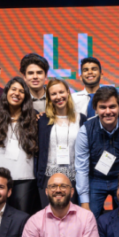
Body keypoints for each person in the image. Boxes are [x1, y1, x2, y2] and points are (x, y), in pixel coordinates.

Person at [75, 87, 119, 219]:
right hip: (95, 179)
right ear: (95, 109)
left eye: (112, 106)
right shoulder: (86, 130)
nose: (108, 112)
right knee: (87, 219)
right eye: (103, 107)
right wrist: (84, 203)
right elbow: (81, 168)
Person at [0, 77, 40, 216]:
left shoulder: (33, 118)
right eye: (13, 89)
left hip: (25, 178)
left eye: (21, 91)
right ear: (6, 92)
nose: (17, 93)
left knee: (22, 219)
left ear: (26, 97)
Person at [37, 79, 87, 208]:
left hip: (74, 178)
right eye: (53, 94)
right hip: (48, 178)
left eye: (61, 92)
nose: (58, 97)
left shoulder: (81, 119)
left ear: (68, 93)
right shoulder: (42, 120)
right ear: (49, 98)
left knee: (72, 218)